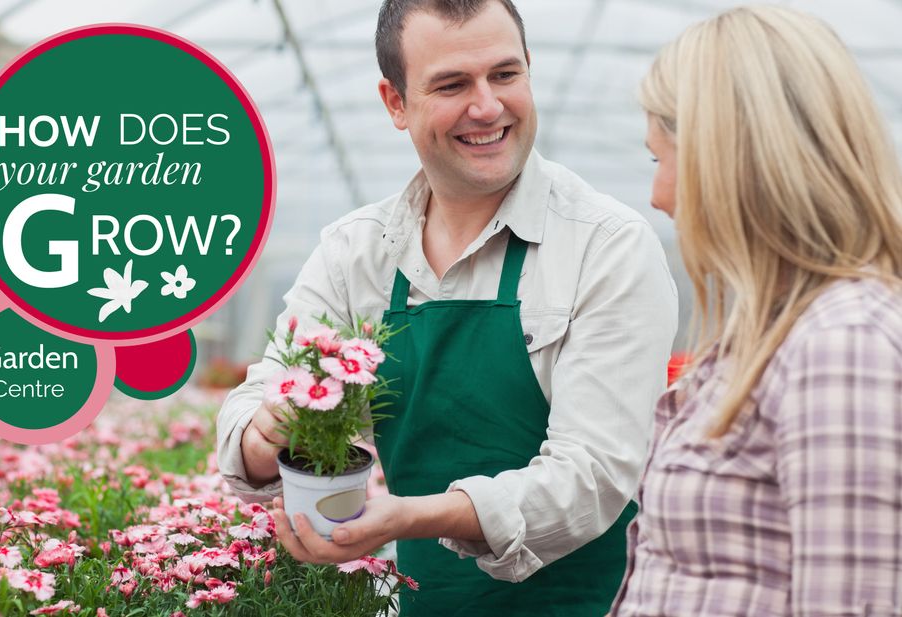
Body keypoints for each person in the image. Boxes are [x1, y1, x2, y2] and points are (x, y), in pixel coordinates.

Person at [216, 0, 678, 614]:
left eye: (506, 75)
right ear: (395, 103)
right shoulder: (358, 251)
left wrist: (407, 517)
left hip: (585, 602)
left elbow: (591, 477)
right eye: (452, 84)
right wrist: (265, 432)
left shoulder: (604, 245)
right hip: (425, 600)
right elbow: (259, 396)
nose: (487, 107)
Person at [611, 6, 902, 616]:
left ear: (729, 162)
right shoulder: (774, 334)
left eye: (658, 159)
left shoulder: (842, 344)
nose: (657, 194)